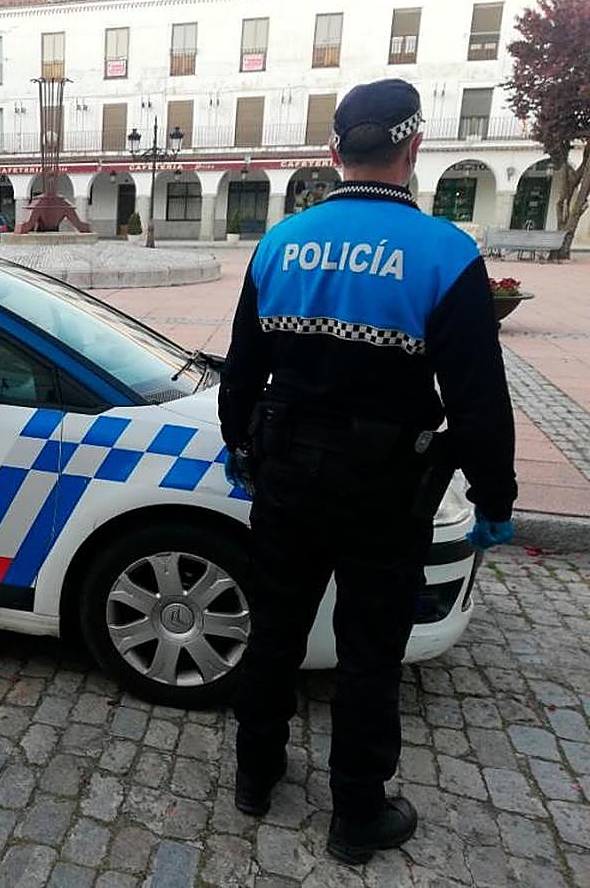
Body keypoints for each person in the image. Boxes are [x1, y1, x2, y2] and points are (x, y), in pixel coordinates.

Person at [218, 78, 517, 865]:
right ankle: (356, 814)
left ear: (333, 153)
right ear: (414, 150)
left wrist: (237, 447)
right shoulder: (447, 253)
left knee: (276, 628)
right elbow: (479, 398)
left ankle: (256, 775)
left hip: (286, 473)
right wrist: (494, 497)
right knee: (369, 651)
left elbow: (243, 367)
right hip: (386, 488)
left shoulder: (281, 242)